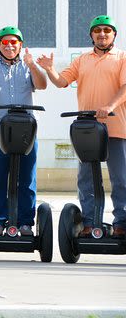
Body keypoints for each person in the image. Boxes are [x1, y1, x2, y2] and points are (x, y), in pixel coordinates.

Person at [37, 15, 126, 238]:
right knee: (86, 179)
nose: (102, 34)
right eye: (98, 30)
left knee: (121, 178)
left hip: (116, 126)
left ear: (114, 34)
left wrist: (109, 105)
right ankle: (89, 222)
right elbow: (61, 82)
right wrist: (49, 69)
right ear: (91, 35)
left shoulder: (122, 57)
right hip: (87, 129)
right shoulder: (82, 59)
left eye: (107, 30)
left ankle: (121, 224)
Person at [0, 26, 47, 236]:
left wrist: (33, 66)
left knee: (27, 178)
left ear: (20, 45)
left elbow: (42, 85)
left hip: (25, 130)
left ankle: (24, 223)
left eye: (14, 42)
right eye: (5, 42)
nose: (10, 46)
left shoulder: (27, 66)